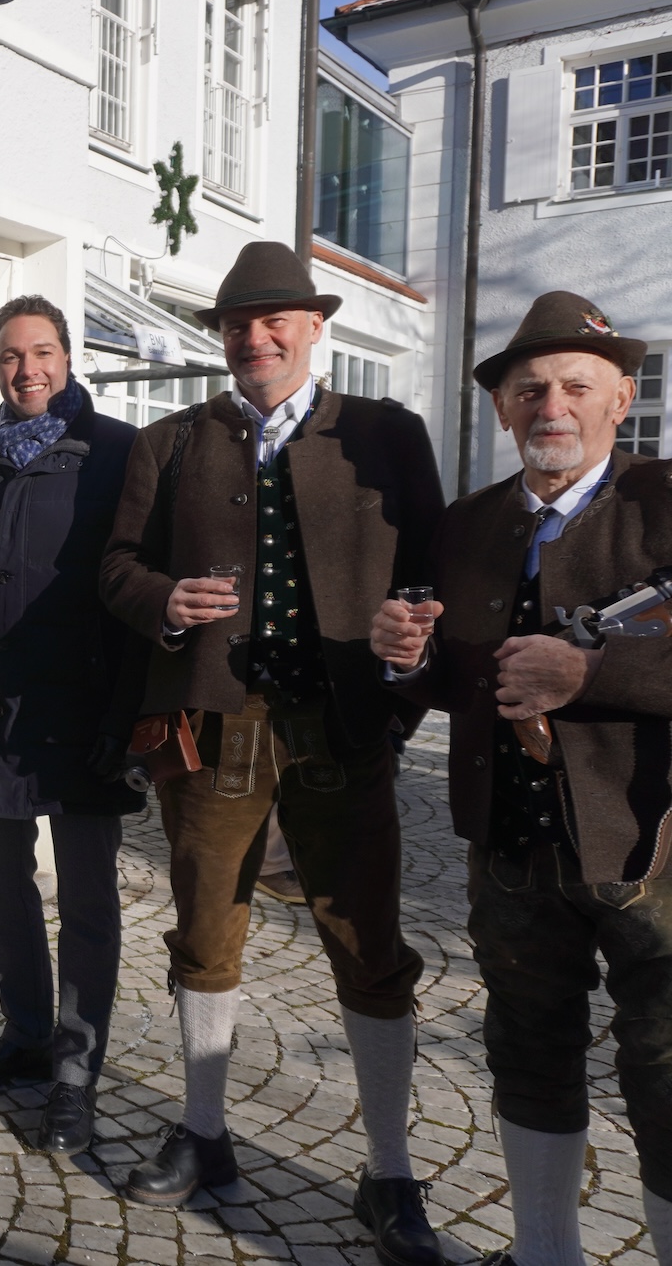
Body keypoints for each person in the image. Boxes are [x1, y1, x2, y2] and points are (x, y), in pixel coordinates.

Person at [100, 242, 446, 1265]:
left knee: (366, 939)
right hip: (215, 722)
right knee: (205, 929)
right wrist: (164, 600)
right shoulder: (170, 440)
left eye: (274, 321)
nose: (254, 339)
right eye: (237, 325)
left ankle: (389, 1170)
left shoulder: (383, 433)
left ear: (312, 328)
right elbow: (115, 568)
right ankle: (205, 1132)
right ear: (220, 338)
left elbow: (430, 574)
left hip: (342, 722)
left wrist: (406, 672)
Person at [371, 291, 672, 1266]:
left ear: (619, 398)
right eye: (530, 388)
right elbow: (460, 681)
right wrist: (406, 658)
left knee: (666, 1070)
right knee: (527, 1050)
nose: (552, 405)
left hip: (649, 848)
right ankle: (545, 1253)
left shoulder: (664, 500)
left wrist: (591, 672)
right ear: (501, 407)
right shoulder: (466, 525)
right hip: (509, 844)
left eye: (576, 386)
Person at [0, 295, 145, 1153]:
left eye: (43, 351)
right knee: (0, 885)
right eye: (12, 355)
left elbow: (136, 584)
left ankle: (76, 1069)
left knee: (87, 898)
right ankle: (24, 1034)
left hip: (83, 709)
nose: (28, 369)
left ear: (67, 356)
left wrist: (128, 715)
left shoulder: (117, 452)